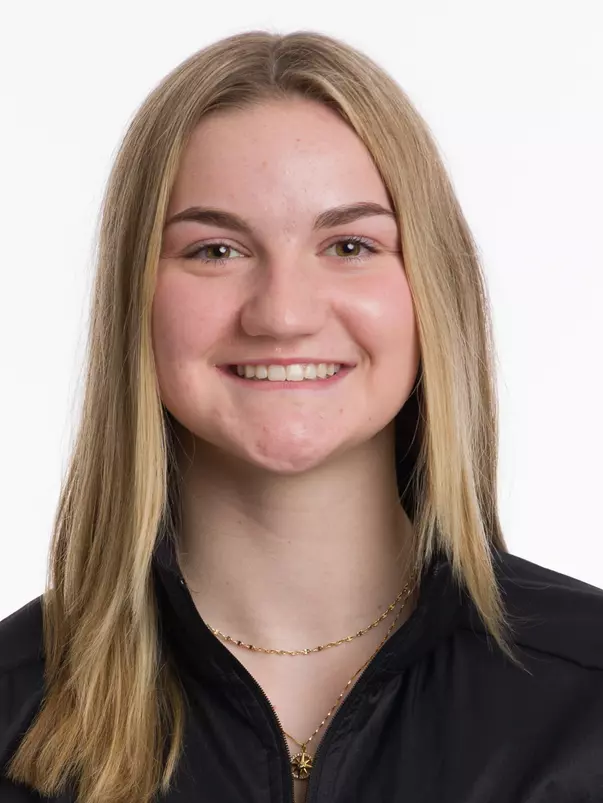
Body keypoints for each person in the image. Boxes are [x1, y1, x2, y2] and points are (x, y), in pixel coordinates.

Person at [1, 29, 602, 803]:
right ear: (135, 299)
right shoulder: (14, 711)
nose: (283, 314)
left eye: (349, 245)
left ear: (432, 288)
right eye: (215, 250)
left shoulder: (586, 696)